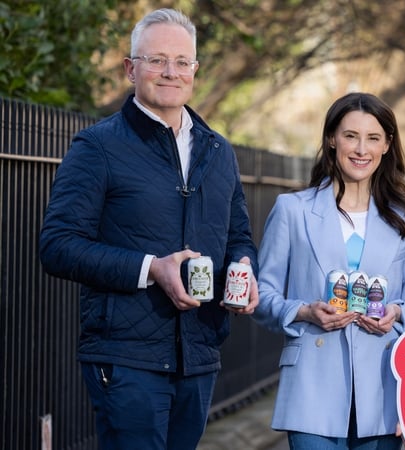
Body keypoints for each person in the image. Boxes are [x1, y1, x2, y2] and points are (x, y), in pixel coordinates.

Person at [39, 8, 259, 449]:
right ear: (130, 69)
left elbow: (237, 235)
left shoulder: (218, 152)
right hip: (126, 359)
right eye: (156, 59)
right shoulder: (97, 146)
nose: (170, 72)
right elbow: (57, 245)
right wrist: (151, 268)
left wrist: (245, 268)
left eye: (182, 62)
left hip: (199, 353)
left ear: (195, 70)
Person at [252, 92, 405, 449]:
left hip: (384, 388)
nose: (360, 149)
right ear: (332, 140)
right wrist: (303, 311)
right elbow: (263, 297)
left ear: (387, 145)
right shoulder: (292, 210)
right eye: (351, 135)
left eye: (373, 138)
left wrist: (396, 312)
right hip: (311, 387)